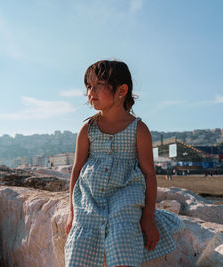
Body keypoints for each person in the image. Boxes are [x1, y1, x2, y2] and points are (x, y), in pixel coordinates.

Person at [64, 60, 185, 266]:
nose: (90, 91)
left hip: (126, 195)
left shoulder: (138, 129)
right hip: (90, 198)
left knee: (124, 238)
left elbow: (148, 173)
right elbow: (77, 169)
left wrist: (148, 217)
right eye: (88, 86)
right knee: (79, 246)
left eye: (98, 84)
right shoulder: (88, 129)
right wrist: (72, 211)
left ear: (121, 90)